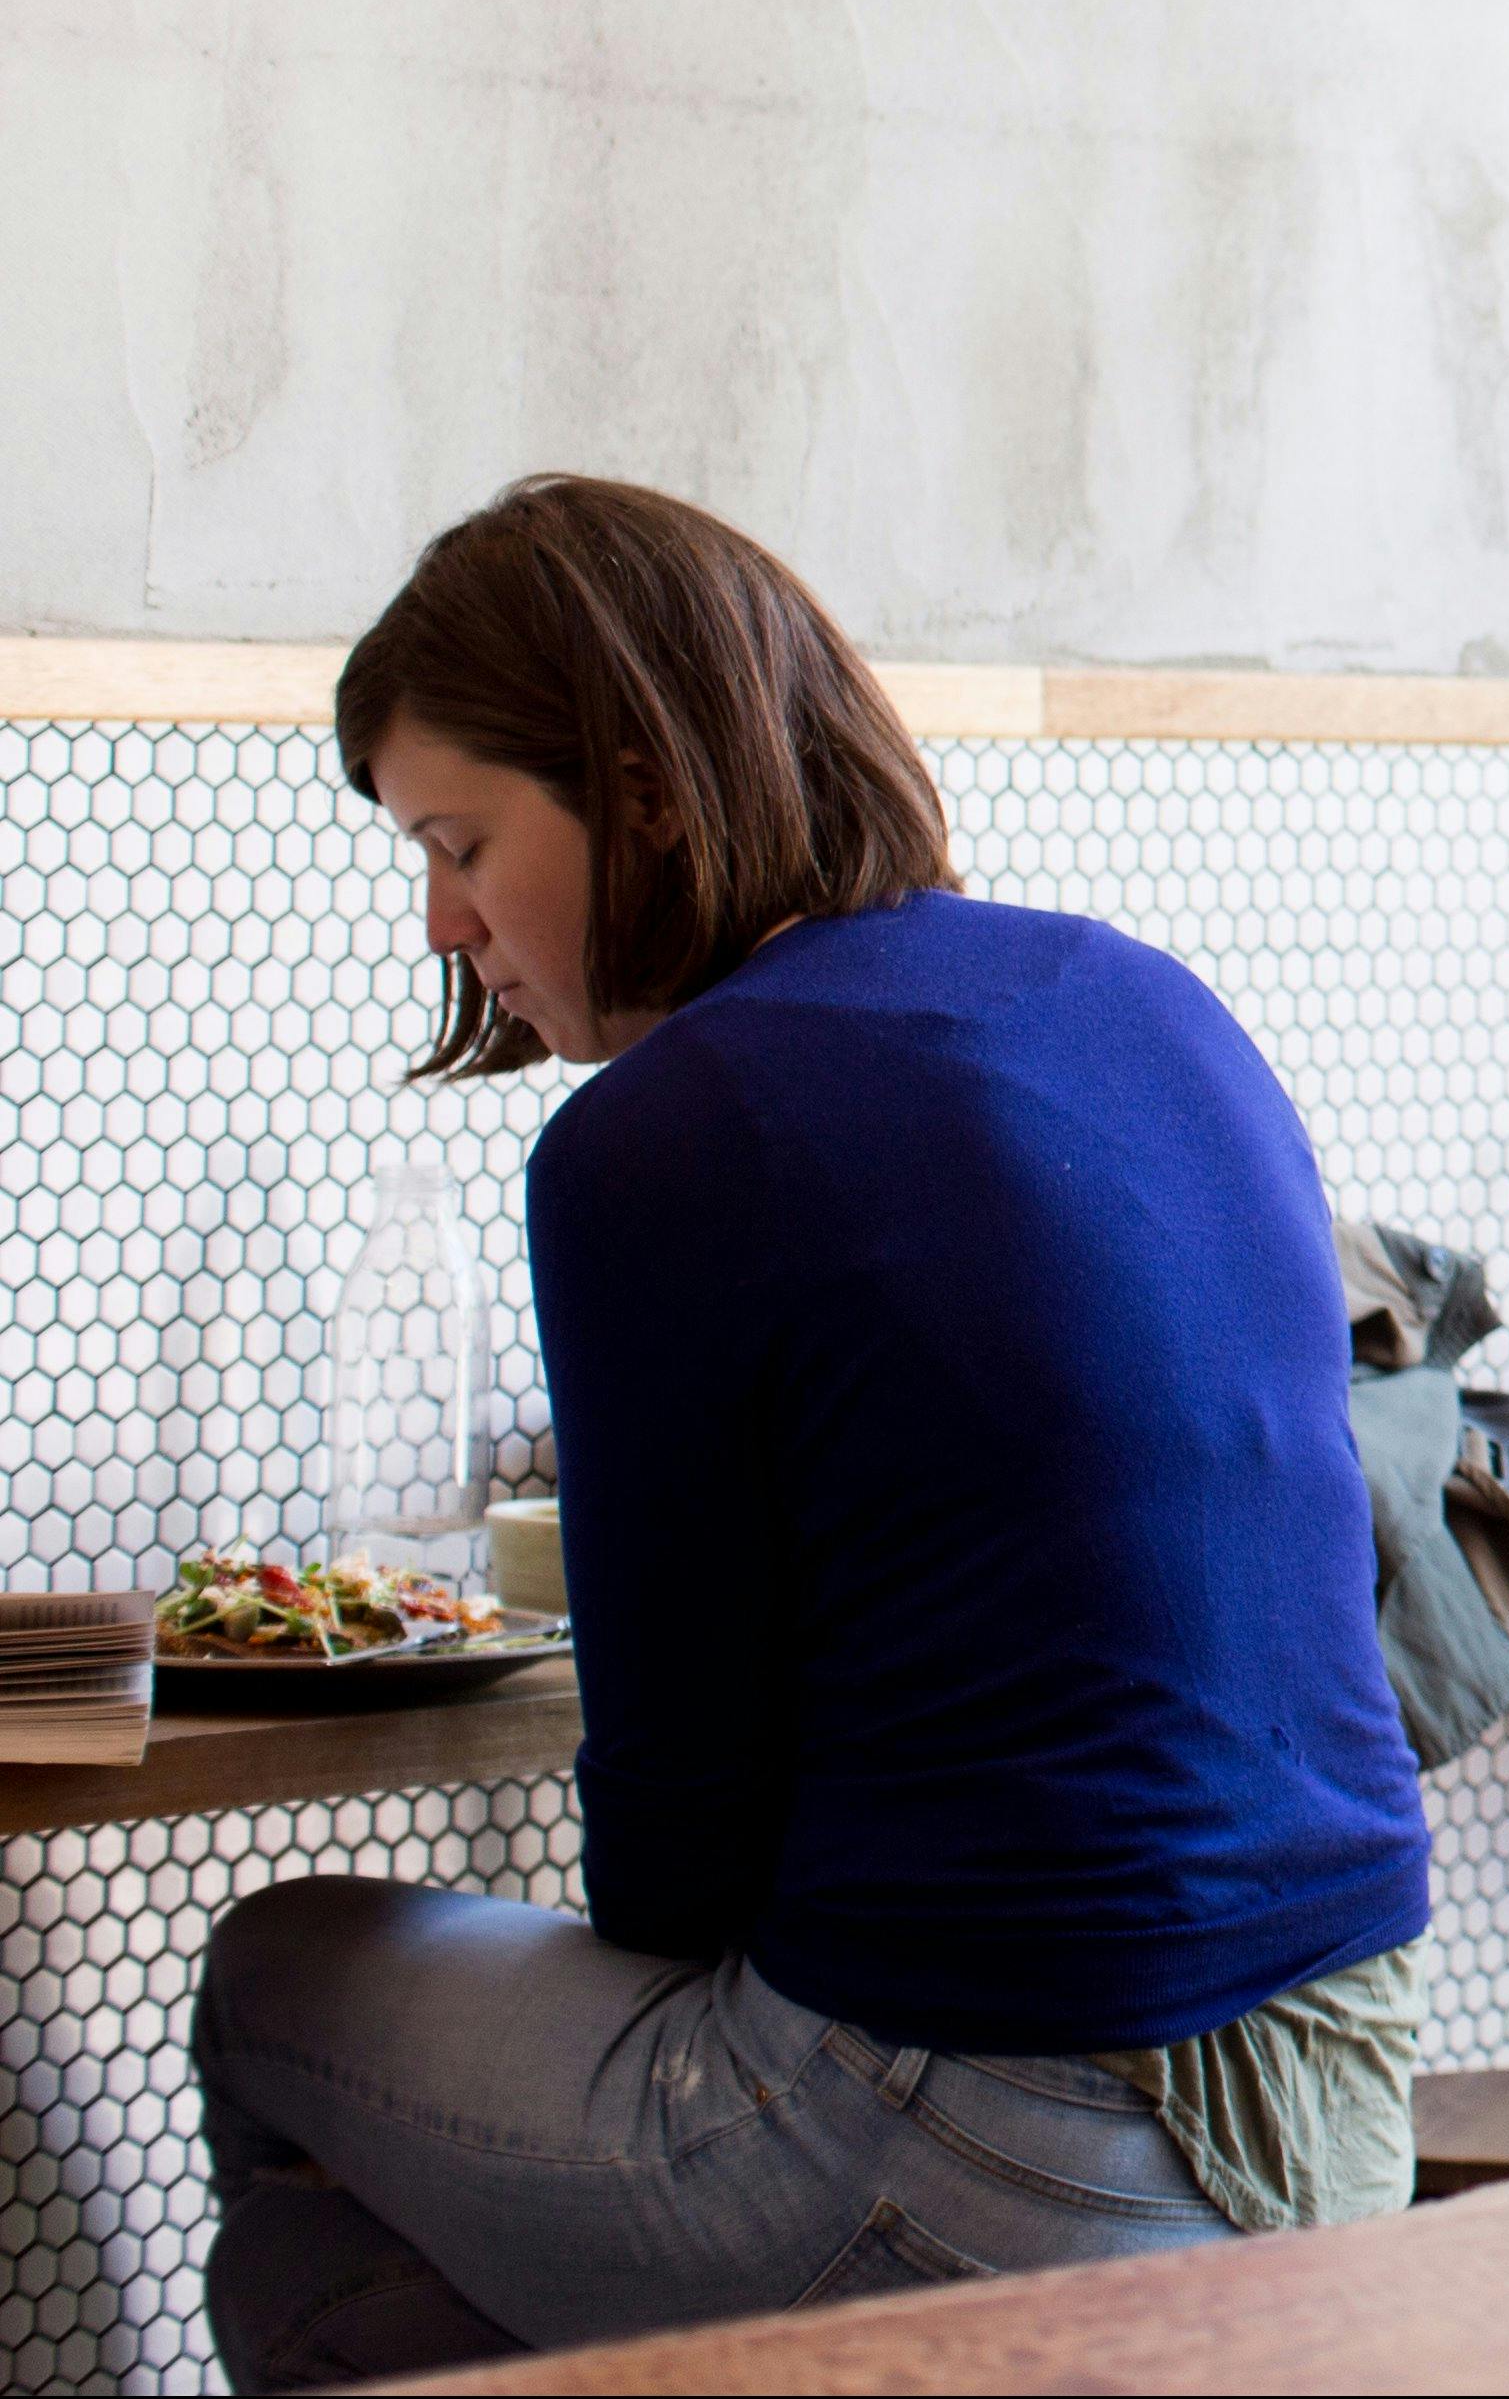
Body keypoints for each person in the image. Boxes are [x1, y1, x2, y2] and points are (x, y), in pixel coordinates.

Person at [195, 479, 1432, 2391]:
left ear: (645, 787)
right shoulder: (1139, 995)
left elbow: (671, 1855)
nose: (443, 920)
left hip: (1005, 2144)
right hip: (1342, 2097)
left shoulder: (669, 1130)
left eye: (460, 841)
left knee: (279, 1988)